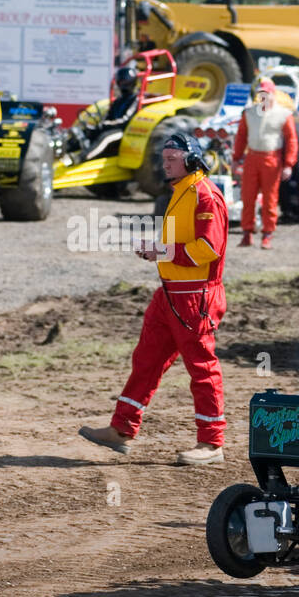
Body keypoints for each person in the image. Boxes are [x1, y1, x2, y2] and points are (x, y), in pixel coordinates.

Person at [79, 133, 230, 465]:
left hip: (195, 299)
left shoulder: (206, 196)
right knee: (146, 359)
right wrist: (158, 250)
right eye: (164, 159)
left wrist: (160, 250)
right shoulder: (183, 192)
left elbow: (208, 248)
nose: (165, 164)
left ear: (190, 161)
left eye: (171, 159)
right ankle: (121, 428)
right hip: (171, 295)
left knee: (202, 369)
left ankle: (211, 443)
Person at [233, 77, 298, 249]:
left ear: (273, 95)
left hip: (271, 159)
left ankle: (267, 234)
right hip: (251, 158)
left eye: (267, 94)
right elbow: (241, 137)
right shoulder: (249, 113)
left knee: (270, 198)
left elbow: (291, 140)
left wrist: (288, 164)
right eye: (261, 94)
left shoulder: (284, 115)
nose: (264, 98)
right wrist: (235, 158)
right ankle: (247, 232)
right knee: (247, 196)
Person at [79, 65, 140, 161]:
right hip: (111, 127)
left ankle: (82, 157)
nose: (123, 84)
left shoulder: (135, 100)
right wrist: (99, 126)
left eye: (125, 82)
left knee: (105, 137)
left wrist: (106, 124)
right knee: (89, 131)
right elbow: (109, 115)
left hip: (123, 131)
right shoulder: (118, 100)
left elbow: (125, 120)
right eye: (121, 82)